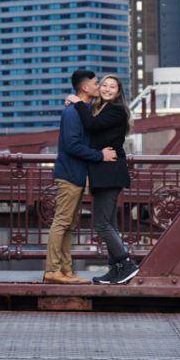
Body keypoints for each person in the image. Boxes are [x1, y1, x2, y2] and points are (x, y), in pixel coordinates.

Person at [44, 69, 117, 285]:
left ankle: (65, 271)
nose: (99, 86)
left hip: (75, 175)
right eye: (95, 83)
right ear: (85, 87)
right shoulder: (73, 113)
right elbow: (72, 145)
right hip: (69, 174)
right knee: (62, 222)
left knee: (69, 224)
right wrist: (100, 156)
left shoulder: (80, 109)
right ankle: (53, 270)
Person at [67, 74, 139, 284]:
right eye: (104, 85)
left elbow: (91, 125)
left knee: (101, 224)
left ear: (118, 92)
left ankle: (126, 264)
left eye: (112, 87)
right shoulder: (102, 109)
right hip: (102, 171)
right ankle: (115, 270)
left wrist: (78, 101)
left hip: (110, 171)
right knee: (111, 225)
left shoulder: (116, 111)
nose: (106, 89)